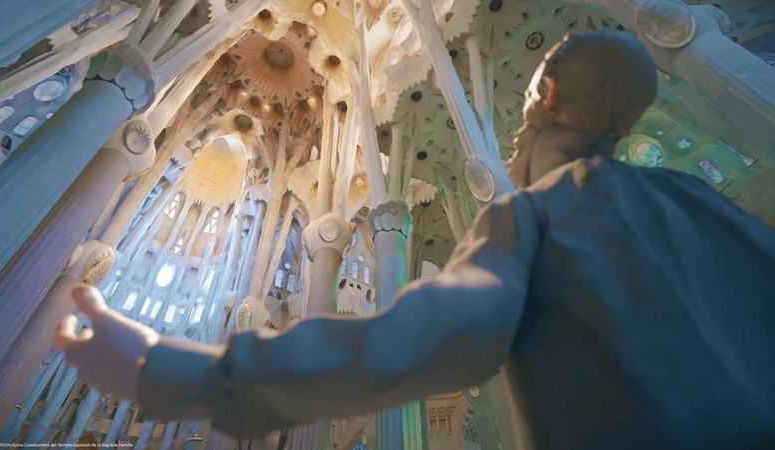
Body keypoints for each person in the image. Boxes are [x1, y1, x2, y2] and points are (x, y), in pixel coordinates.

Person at [54, 30, 775, 449]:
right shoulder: (701, 202)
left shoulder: (538, 216)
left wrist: (170, 373)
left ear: (550, 98)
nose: (518, 127)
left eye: (526, 107)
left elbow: (402, 345)